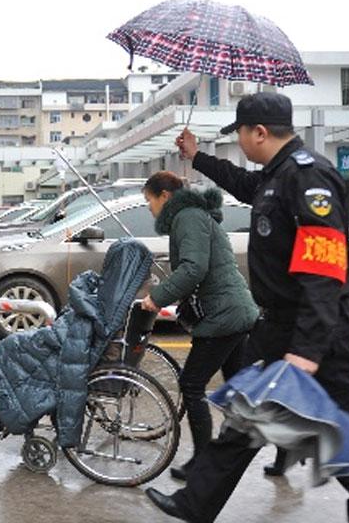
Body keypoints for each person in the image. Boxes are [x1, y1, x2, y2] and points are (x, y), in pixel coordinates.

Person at [145, 92, 349, 523]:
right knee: (243, 417)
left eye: (240, 133)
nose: (239, 141)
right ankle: (195, 504)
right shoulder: (276, 175)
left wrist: (308, 351)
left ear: (259, 132)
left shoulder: (310, 178)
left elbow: (324, 272)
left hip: (317, 337)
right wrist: (197, 156)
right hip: (276, 328)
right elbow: (241, 183)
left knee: (345, 439)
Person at [140, 171, 258, 481]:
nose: (149, 207)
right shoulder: (194, 215)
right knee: (237, 391)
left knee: (192, 385)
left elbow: (194, 268)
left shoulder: (188, 216)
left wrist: (158, 297)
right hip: (234, 309)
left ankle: (203, 464)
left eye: (149, 200)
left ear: (165, 196)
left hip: (223, 314)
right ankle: (274, 445)